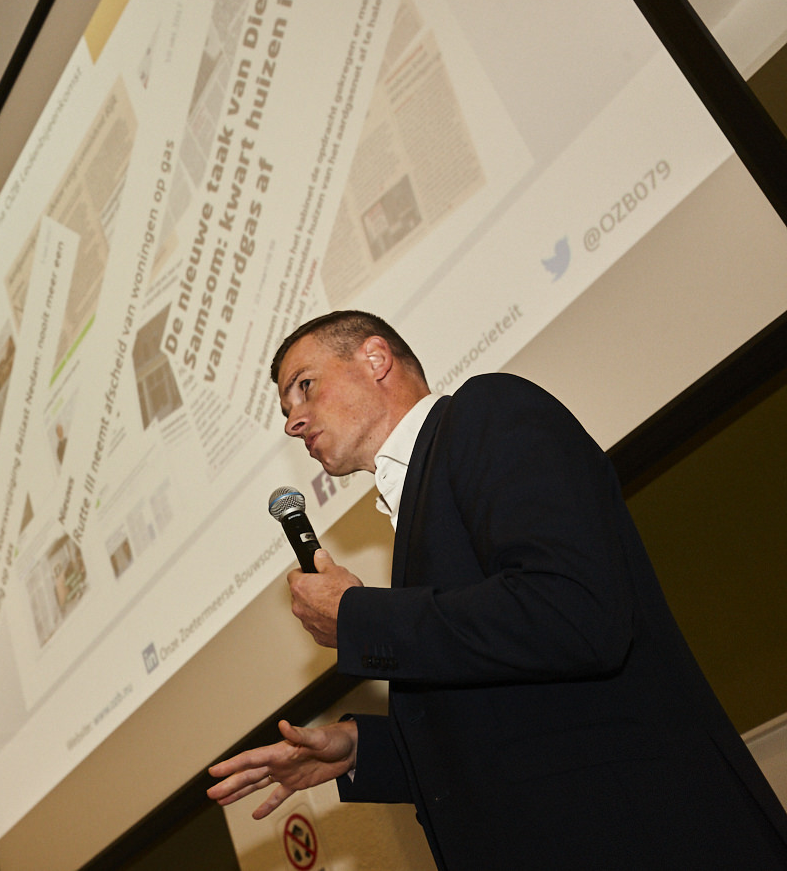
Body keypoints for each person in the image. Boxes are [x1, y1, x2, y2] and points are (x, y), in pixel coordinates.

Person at [207, 310, 787, 870]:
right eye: (286, 408)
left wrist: (358, 617)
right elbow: (507, 716)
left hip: (648, 836)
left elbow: (574, 613)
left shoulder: (486, 412)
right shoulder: (412, 512)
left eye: (305, 387)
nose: (294, 421)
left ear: (376, 358)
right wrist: (361, 747)